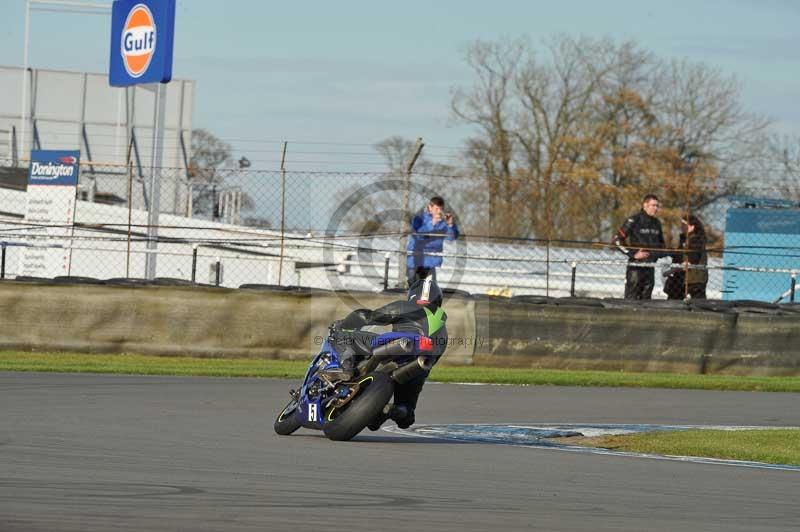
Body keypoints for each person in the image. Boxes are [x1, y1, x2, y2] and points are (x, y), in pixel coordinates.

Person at [332, 275, 447, 430]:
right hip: (419, 366)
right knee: (407, 415)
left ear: (412, 295)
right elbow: (434, 358)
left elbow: (369, 317)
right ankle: (391, 410)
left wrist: (344, 324)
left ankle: (346, 368)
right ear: (438, 301)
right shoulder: (443, 329)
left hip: (399, 344)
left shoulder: (405, 306)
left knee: (343, 336)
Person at [613, 194, 666, 300]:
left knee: (646, 299)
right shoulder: (633, 220)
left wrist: (657, 254)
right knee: (631, 299)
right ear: (645, 205)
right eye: (653, 205)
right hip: (635, 268)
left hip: (650, 267)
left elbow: (662, 244)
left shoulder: (657, 223)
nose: (656, 208)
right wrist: (633, 254)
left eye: (657, 206)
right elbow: (617, 239)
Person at [406, 196, 459, 287]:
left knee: (428, 288)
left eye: (441, 209)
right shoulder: (419, 218)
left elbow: (451, 238)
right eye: (436, 208)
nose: (439, 211)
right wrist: (432, 224)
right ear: (429, 207)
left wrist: (450, 224)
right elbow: (419, 235)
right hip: (416, 257)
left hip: (431, 260)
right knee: (412, 284)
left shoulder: (443, 222)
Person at [664, 214, 708, 300]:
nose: (682, 227)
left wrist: (679, 266)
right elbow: (680, 256)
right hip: (682, 275)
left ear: (692, 226)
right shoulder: (684, 238)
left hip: (695, 277)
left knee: (698, 301)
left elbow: (693, 257)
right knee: (674, 296)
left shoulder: (696, 238)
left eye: (684, 224)